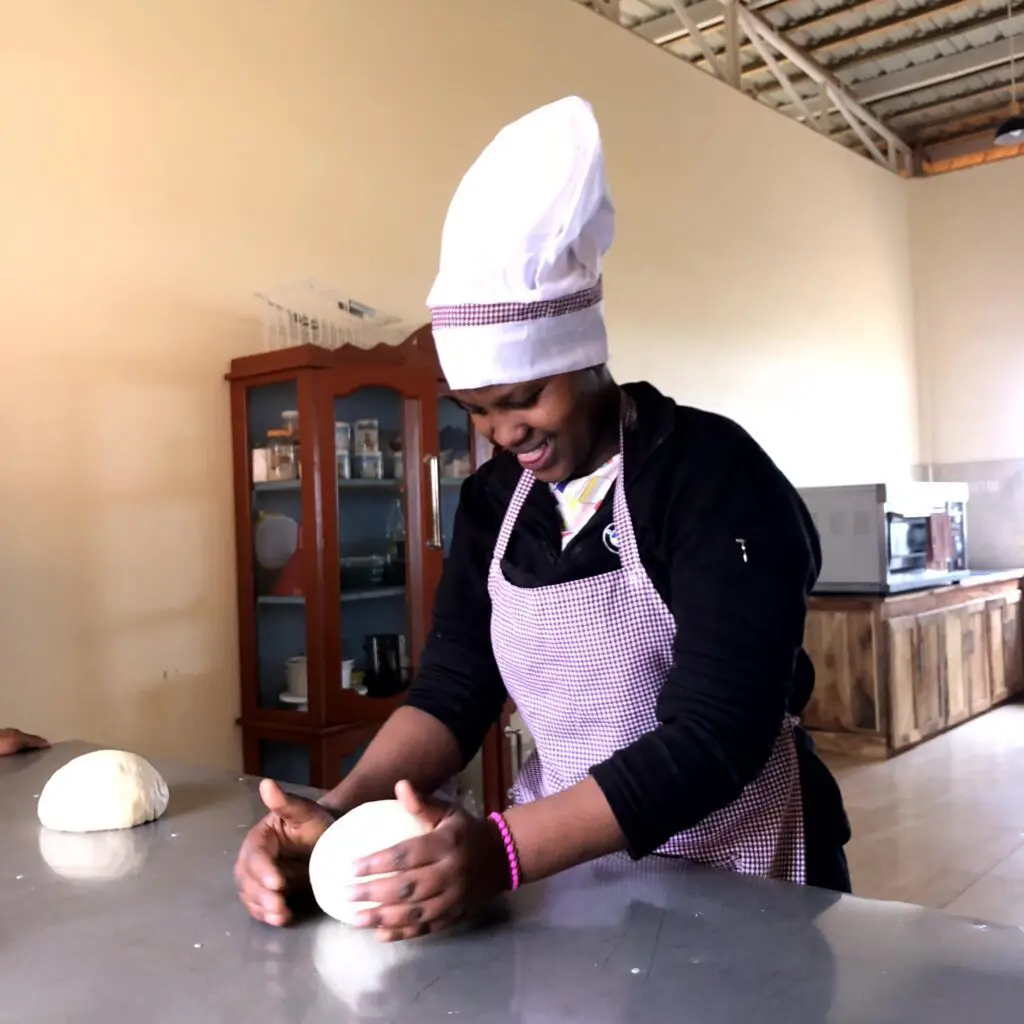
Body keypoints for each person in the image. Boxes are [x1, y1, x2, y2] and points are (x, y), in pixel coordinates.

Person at [234, 95, 851, 941]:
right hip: (574, 871)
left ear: (586, 356)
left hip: (737, 866)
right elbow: (454, 691)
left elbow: (718, 734)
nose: (502, 432)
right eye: (477, 411)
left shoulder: (710, 476)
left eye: (523, 399)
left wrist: (500, 853)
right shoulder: (496, 500)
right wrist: (334, 817)